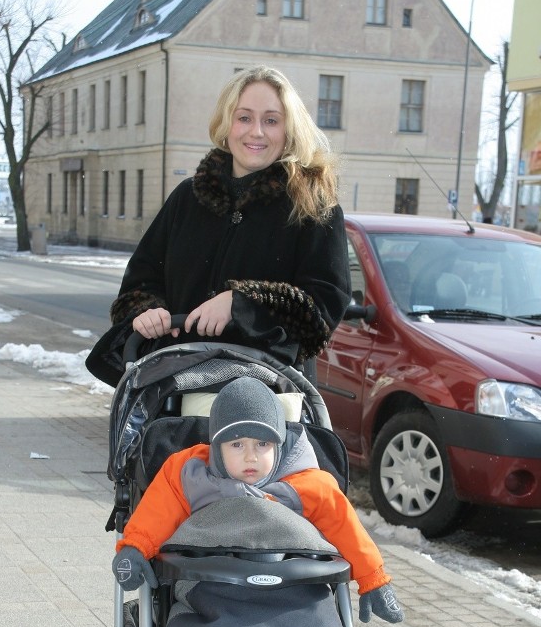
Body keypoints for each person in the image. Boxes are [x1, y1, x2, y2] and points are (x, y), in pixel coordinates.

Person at [86, 66, 351, 387]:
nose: (257, 132)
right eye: (244, 118)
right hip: (174, 388)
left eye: (271, 120)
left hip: (265, 398)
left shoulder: (312, 204)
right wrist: (148, 310)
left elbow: (323, 307)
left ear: (289, 129)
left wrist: (241, 304)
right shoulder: (188, 197)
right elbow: (140, 281)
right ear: (226, 125)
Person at [112, 378, 404, 625]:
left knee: (321, 626)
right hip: (210, 589)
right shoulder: (191, 474)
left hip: (293, 595)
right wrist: (136, 548)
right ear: (216, 446)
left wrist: (373, 579)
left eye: (262, 444)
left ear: (279, 444)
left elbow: (347, 529)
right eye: (236, 444)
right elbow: (159, 510)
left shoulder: (309, 485)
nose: (250, 456)